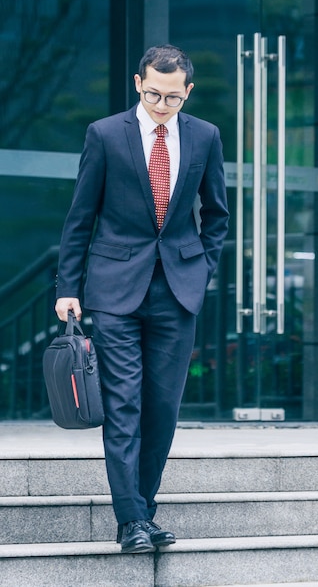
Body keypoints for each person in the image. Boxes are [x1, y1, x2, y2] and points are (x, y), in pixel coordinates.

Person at [54, 44, 229, 553]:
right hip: (114, 291)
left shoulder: (205, 137)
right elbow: (80, 217)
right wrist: (68, 287)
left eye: (172, 97)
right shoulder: (106, 134)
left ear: (187, 92)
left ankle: (143, 512)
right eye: (153, 92)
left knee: (162, 409)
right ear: (137, 83)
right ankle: (131, 519)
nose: (161, 104)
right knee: (125, 405)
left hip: (177, 291)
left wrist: (202, 270)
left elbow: (216, 213)